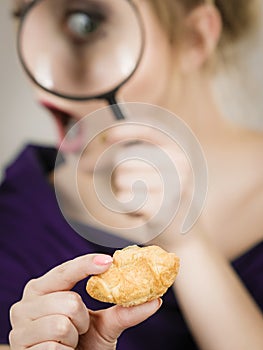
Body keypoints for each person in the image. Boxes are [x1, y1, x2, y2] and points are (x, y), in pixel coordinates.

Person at [1, 0, 263, 349]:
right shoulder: (17, 218)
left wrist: (187, 243)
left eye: (85, 25)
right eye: (24, 19)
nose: (42, 89)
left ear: (194, 38)